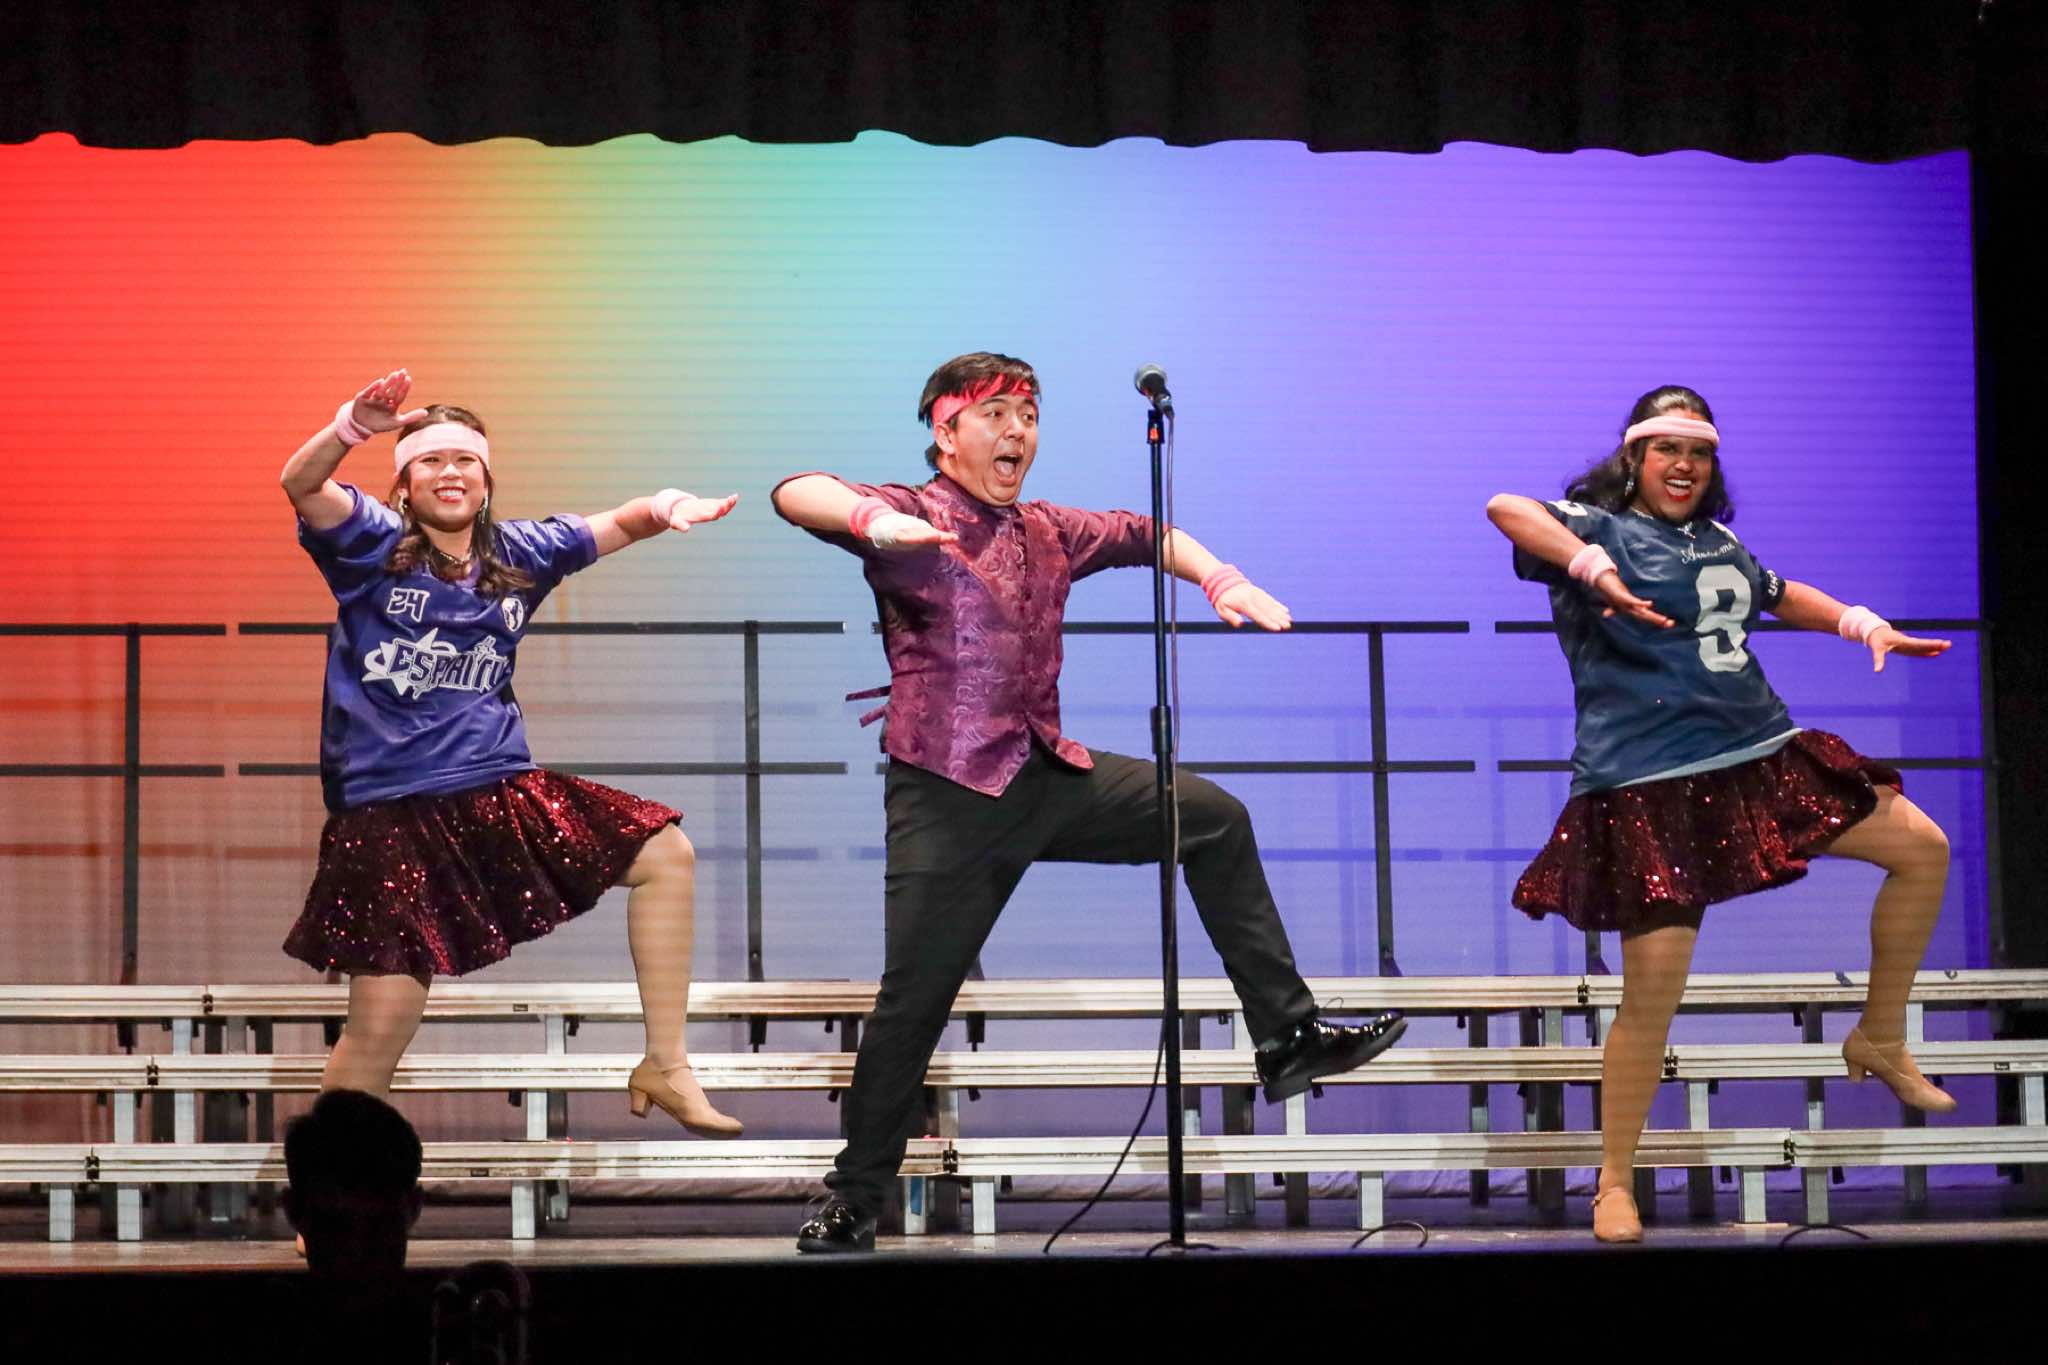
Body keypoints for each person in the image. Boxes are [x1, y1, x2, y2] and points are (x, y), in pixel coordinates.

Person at [772, 352, 1407, 1252]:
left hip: (1046, 773)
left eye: (1029, 415)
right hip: (948, 794)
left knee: (1214, 818)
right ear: (946, 433)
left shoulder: (1048, 528)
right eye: (996, 414)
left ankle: (1287, 1035)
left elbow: (1148, 533)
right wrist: (872, 518)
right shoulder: (913, 513)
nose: (1018, 431)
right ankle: (854, 1196)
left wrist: (1219, 576)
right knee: (913, 1002)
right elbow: (795, 491)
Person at [1487, 385, 1955, 1243]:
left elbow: (1778, 591)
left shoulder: (1718, 541)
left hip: (1759, 758)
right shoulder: (1597, 529)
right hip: (1650, 784)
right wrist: (1592, 567)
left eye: (1699, 452)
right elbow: (1505, 507)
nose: (1685, 466)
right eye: (1668, 449)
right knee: (1651, 997)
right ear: (1635, 456)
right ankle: (1614, 1182)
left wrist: (1861, 624)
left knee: (1923, 848)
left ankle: (1881, 1034)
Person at [279, 368, 743, 1138]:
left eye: (465, 460)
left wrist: (668, 508)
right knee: (378, 1031)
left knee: (666, 852)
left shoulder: (523, 551)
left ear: (487, 480)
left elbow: (623, 521)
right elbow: (300, 482)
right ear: (404, 484)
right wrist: (350, 428)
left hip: (493, 791)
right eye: (430, 460)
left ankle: (666, 1062)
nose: (450, 472)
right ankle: (333, 1190)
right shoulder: (372, 542)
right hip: (389, 817)